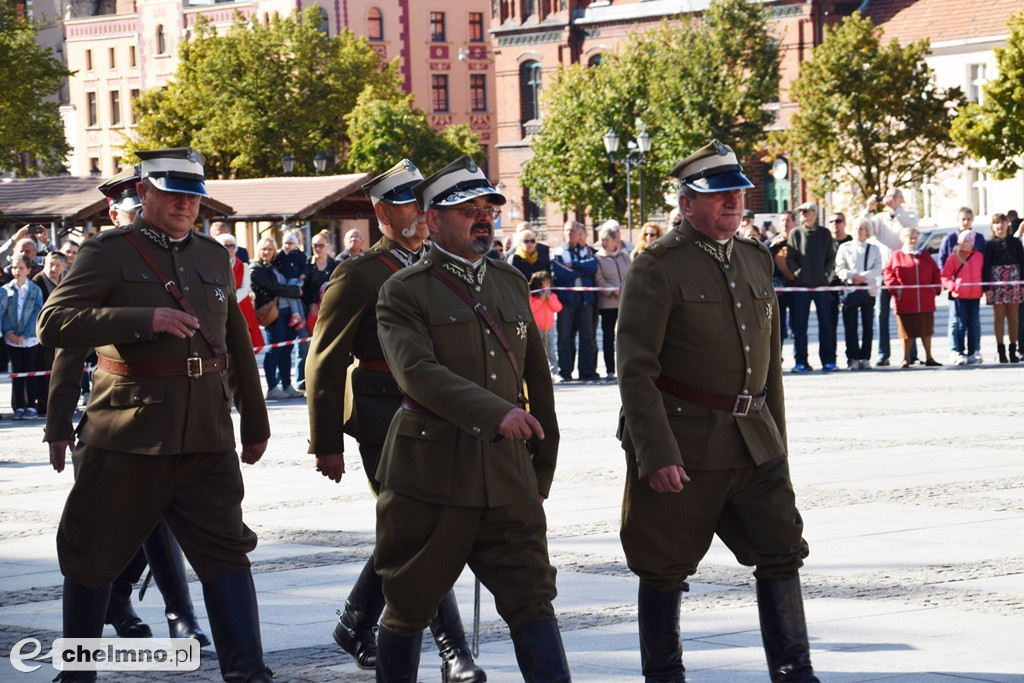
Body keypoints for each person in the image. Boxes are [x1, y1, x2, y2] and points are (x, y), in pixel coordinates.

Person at [37, 147, 274, 683]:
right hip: (128, 435)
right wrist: (144, 318)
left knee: (227, 553)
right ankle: (79, 671)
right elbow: (55, 324)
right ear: (144, 193)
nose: (186, 205)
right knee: (92, 551)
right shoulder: (107, 251)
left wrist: (255, 423)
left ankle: (248, 671)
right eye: (174, 193)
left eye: (194, 195)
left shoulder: (214, 256)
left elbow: (235, 345)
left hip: (207, 438)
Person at [617, 140, 818, 682]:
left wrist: (777, 440)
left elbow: (768, 367)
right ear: (686, 205)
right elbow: (636, 371)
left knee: (781, 551)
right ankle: (665, 676)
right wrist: (655, 453)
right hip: (684, 448)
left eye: (738, 193)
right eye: (719, 194)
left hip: (754, 443)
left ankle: (795, 673)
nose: (733, 202)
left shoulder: (755, 259)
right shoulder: (658, 268)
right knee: (663, 567)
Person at [372, 155, 569, 682]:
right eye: (466, 209)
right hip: (431, 477)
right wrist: (495, 412)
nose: (482, 217)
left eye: (487, 207)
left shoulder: (509, 281)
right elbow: (418, 374)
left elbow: (538, 381)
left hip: (508, 479)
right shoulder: (404, 291)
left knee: (533, 600)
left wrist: (541, 468)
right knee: (409, 603)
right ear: (432, 220)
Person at [306, 159, 485, 681]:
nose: (420, 213)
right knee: (424, 525)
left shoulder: (440, 263)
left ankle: (356, 622)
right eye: (408, 203)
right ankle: (456, 654)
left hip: (439, 408)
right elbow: (325, 357)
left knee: (409, 528)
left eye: (422, 202)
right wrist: (325, 441)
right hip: (382, 409)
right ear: (382, 212)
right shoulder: (359, 273)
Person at [786, 202, 838, 372]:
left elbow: (831, 256)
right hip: (802, 287)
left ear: (814, 213)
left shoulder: (824, 233)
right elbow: (790, 257)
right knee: (800, 326)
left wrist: (825, 273)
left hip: (821, 286)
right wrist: (799, 273)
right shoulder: (795, 233)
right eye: (800, 211)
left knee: (826, 325)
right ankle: (801, 361)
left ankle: (828, 361)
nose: (803, 214)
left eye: (806, 211)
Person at [251, 235, 304, 399]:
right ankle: (272, 387)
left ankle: (287, 385)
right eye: (264, 249)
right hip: (273, 315)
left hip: (288, 312)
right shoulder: (256, 269)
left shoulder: (275, 265)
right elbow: (273, 287)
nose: (267, 252)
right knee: (274, 350)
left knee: (286, 350)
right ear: (259, 250)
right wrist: (296, 291)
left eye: (270, 249)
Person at [883, 226, 942, 368]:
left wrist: (935, 288)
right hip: (905, 300)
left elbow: (936, 273)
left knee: (926, 330)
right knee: (906, 331)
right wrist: (896, 288)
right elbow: (888, 274)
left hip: (925, 300)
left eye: (915, 237)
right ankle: (906, 357)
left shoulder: (925, 255)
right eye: (910, 237)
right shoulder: (897, 255)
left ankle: (929, 357)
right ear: (904, 239)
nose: (913, 240)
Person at [873, 188, 917, 366]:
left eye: (894, 196)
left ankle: (911, 352)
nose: (890, 200)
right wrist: (869, 208)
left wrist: (896, 210)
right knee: (881, 313)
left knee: (908, 313)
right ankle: (883, 353)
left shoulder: (908, 214)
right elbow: (865, 227)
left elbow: (910, 225)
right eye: (888, 196)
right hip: (884, 270)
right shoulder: (879, 218)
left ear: (900, 199)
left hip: (903, 270)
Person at [552, 220, 599, 382]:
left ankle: (587, 371)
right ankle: (565, 371)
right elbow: (561, 273)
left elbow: (593, 267)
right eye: (567, 230)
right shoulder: (558, 252)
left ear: (579, 233)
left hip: (585, 299)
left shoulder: (586, 251)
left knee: (587, 336)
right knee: (565, 337)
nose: (570, 233)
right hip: (567, 300)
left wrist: (574, 265)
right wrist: (580, 272)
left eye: (573, 231)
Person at [938, 207, 986, 364]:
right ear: (958, 220)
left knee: (974, 323)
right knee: (956, 322)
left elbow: (984, 266)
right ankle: (956, 351)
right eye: (963, 219)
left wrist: (984, 287)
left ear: (972, 220)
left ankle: (974, 351)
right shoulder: (949, 238)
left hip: (974, 292)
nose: (965, 222)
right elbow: (942, 264)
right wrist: (951, 286)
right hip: (957, 292)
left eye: (968, 219)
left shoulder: (979, 239)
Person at [834, 217, 883, 369]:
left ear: (867, 231)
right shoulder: (845, 247)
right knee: (850, 326)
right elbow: (839, 268)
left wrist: (864, 276)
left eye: (861, 228)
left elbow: (878, 268)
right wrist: (852, 276)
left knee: (868, 326)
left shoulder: (874, 249)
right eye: (856, 228)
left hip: (868, 291)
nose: (858, 231)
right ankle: (853, 357)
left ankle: (865, 357)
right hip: (850, 290)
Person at [3, 255, 45, 419]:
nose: (17, 271)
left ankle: (31, 406)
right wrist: (10, 333)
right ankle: (19, 406)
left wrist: (25, 334)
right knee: (17, 372)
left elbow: (37, 312)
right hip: (11, 339)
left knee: (31, 371)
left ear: (28, 270)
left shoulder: (35, 290)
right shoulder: (5, 289)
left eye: (21, 268)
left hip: (30, 339)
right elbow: (4, 313)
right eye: (14, 267)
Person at [982, 213, 1024, 363]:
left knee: (1013, 317)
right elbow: (986, 266)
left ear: (1008, 224)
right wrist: (987, 287)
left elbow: (1022, 262)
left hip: (1014, 281)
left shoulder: (1016, 242)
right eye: (997, 223)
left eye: (1003, 222)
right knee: (999, 318)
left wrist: (1022, 284)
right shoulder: (990, 244)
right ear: (993, 226)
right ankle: (1001, 350)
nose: (1000, 226)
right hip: (996, 282)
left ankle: (1013, 349)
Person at [32, 251, 68, 415]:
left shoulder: (66, 279)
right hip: (44, 330)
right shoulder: (38, 281)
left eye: (57, 265)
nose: (53, 269)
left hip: (63, 330)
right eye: (50, 264)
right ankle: (44, 405)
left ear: (64, 267)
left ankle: (60, 404)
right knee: (45, 370)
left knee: (62, 370)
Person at [216, 232, 264, 350]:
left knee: (243, 339)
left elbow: (246, 287)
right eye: (225, 246)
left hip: (240, 305)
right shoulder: (212, 265)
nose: (229, 249)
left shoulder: (243, 266)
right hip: (219, 305)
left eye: (232, 246)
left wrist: (230, 301)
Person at [594, 221, 630, 379]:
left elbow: (631, 275)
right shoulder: (598, 258)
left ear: (615, 241)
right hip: (608, 304)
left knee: (626, 336)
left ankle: (627, 367)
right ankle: (610, 370)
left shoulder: (625, 256)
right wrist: (612, 291)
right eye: (601, 239)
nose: (603, 242)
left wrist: (625, 290)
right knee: (608, 337)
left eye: (606, 239)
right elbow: (599, 279)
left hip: (625, 302)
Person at [303, 229, 339, 334]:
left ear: (328, 246)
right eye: (315, 246)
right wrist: (310, 303)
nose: (318, 249)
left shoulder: (336, 265)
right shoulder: (307, 265)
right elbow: (303, 289)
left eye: (321, 245)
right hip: (312, 312)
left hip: (332, 310)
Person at [769, 211, 797, 341]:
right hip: (779, 290)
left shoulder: (799, 242)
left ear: (794, 222)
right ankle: (777, 360)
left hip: (797, 288)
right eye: (782, 220)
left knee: (798, 328)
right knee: (778, 328)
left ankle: (800, 360)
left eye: (788, 220)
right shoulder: (772, 242)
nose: (785, 223)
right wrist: (772, 249)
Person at [529, 270, 561, 376]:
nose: (548, 285)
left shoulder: (552, 295)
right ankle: (537, 374)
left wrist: (549, 299)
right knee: (537, 353)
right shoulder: (531, 296)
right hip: (536, 329)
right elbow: (531, 310)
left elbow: (558, 308)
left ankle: (554, 373)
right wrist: (540, 300)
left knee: (551, 352)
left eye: (549, 282)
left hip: (549, 328)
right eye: (545, 282)